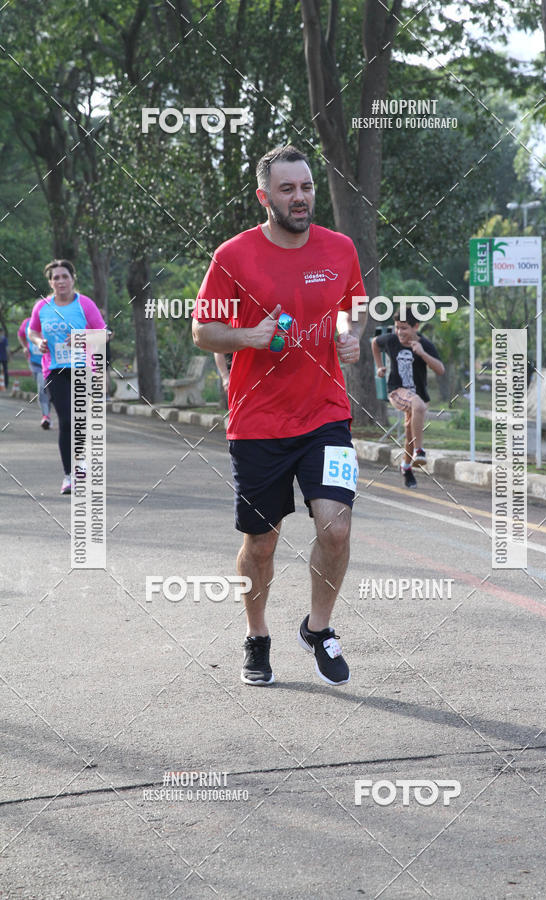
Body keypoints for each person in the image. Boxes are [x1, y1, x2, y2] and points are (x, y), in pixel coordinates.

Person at [192, 145, 366, 687]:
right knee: (261, 543)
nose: (300, 198)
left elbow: (355, 309)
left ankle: (319, 628)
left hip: (326, 414)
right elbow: (202, 331)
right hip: (258, 422)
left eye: (307, 187)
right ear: (264, 196)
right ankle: (258, 634)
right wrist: (249, 336)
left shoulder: (339, 249)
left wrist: (352, 336)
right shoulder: (233, 256)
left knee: (335, 528)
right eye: (288, 189)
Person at [28, 260, 106, 494]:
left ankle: (81, 461)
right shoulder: (41, 306)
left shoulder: (85, 304)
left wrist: (83, 337)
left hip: (82, 367)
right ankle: (69, 475)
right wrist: (38, 341)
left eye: (64, 276)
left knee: (80, 420)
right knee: (66, 419)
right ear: (50, 282)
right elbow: (32, 330)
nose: (60, 281)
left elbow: (103, 334)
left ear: (73, 278)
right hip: (54, 369)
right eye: (55, 278)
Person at [371, 310, 444, 488]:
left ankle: (406, 467)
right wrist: (380, 367)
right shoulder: (391, 340)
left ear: (415, 327)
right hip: (397, 390)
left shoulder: (425, 344)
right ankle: (420, 451)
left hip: (418, 393)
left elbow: (441, 369)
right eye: (397, 328)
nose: (399, 332)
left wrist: (422, 354)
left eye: (404, 328)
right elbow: (375, 343)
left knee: (410, 434)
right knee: (418, 405)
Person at [18, 317, 52, 428]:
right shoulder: (27, 322)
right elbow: (21, 334)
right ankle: (46, 416)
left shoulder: (52, 320)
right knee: (42, 388)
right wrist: (24, 347)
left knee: (48, 390)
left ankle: (48, 415)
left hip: (52, 363)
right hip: (35, 363)